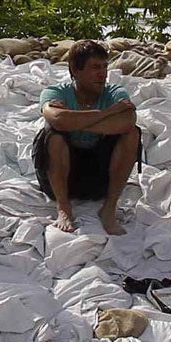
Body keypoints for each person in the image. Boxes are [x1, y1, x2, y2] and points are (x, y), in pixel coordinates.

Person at [32, 39, 141, 235]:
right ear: (75, 69)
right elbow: (57, 119)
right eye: (94, 67)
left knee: (132, 134)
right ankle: (64, 208)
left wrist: (75, 122)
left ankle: (109, 209)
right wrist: (108, 113)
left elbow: (127, 120)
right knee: (53, 136)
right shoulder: (56, 92)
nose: (102, 74)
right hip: (61, 175)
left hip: (98, 175)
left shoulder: (115, 93)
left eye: (104, 67)